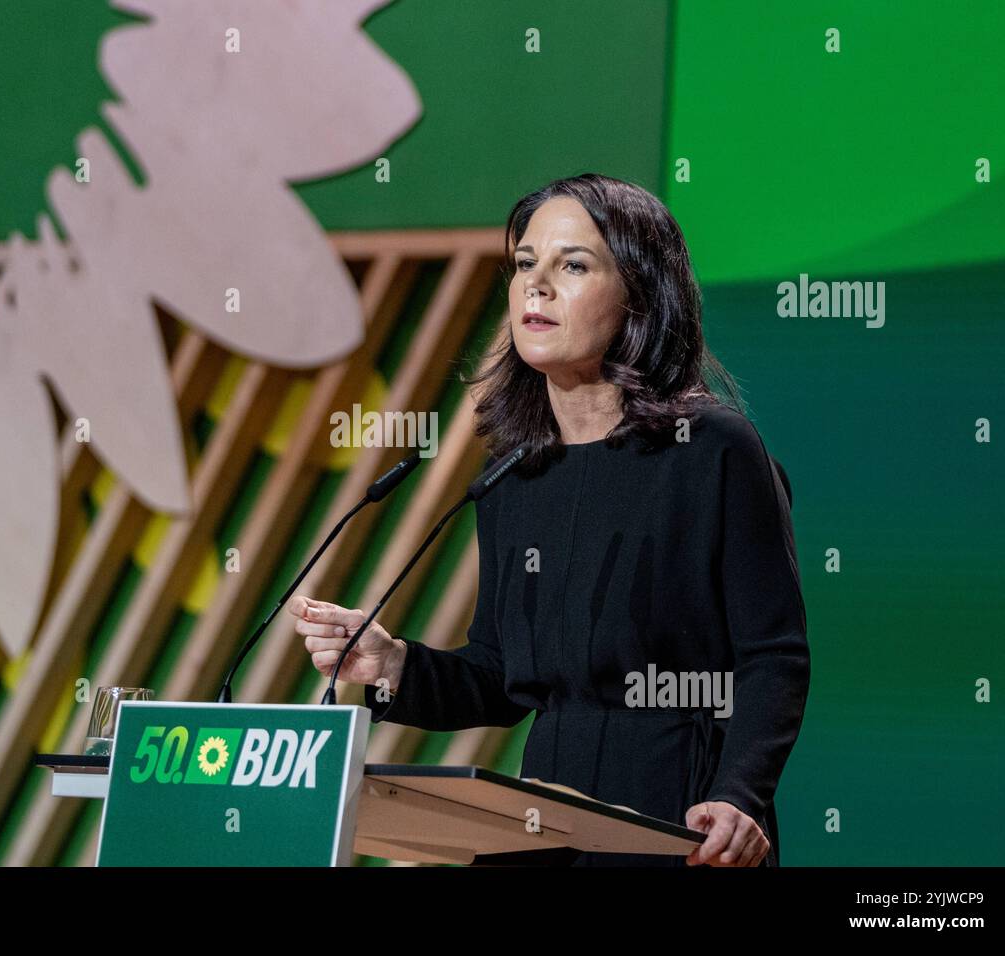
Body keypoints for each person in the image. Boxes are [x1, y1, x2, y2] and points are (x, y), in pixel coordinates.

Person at [290, 173, 810, 867]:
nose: (536, 285)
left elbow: (772, 655)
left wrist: (740, 795)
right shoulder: (515, 471)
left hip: (678, 812)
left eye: (573, 265)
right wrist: (395, 664)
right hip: (538, 817)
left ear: (639, 297)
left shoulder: (712, 449)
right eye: (526, 263)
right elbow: (502, 678)